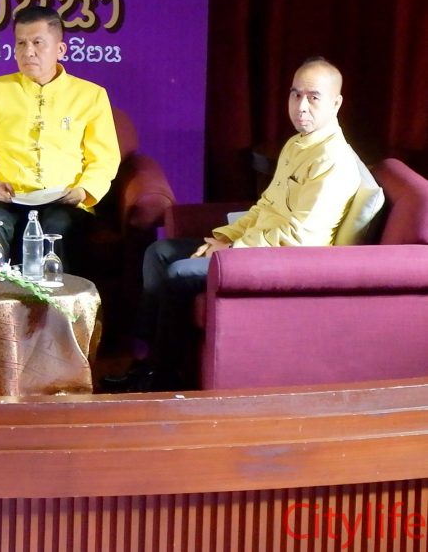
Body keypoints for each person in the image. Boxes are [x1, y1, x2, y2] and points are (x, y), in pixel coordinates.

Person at [108, 57, 363, 391]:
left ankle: (163, 375)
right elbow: (265, 207)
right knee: (159, 252)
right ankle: (146, 360)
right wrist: (223, 238)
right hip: (255, 246)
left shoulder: (332, 160)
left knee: (179, 273)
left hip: (284, 260)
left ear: (336, 103)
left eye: (313, 97)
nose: (301, 106)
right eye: (295, 94)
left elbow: (301, 236)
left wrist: (232, 249)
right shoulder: (296, 144)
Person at [0, 5, 120, 265]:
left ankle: (53, 293)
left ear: (60, 49)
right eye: (21, 43)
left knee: (57, 229)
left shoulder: (91, 95)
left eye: (38, 43)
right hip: (8, 198)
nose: (28, 52)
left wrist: (84, 191)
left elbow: (104, 159)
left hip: (63, 200)